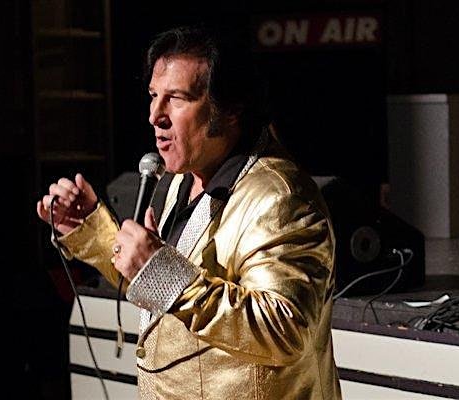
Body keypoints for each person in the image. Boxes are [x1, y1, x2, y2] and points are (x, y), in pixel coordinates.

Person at [36, 25, 340, 399]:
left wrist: (162, 273)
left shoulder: (281, 197)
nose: (155, 115)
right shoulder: (183, 178)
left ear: (230, 109)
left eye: (177, 99)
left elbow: (284, 330)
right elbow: (161, 290)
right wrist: (93, 231)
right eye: (153, 96)